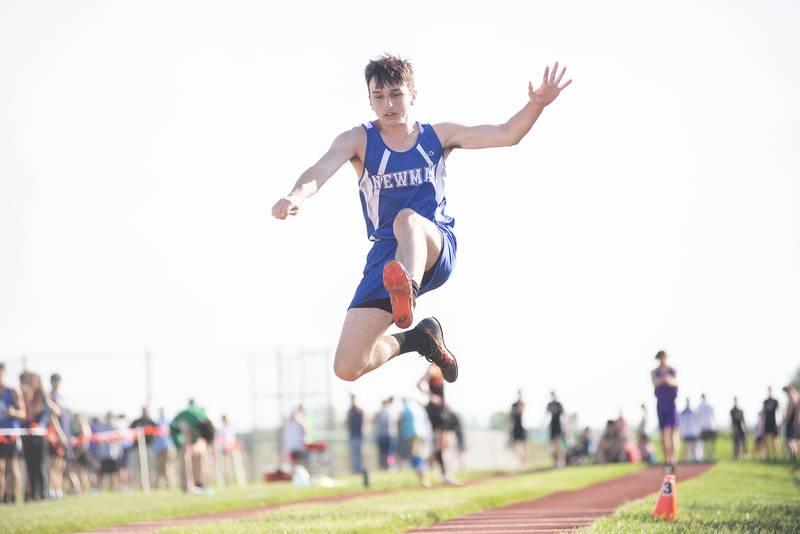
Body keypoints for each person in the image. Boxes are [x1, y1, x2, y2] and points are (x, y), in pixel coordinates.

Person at [271, 55, 571, 385]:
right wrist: (295, 196)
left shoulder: (437, 136)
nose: (388, 104)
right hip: (386, 259)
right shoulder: (358, 140)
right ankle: (416, 338)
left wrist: (537, 104)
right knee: (348, 366)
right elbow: (319, 170)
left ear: (413, 94)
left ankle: (406, 290)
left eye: (396, 94)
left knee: (407, 220)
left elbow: (507, 133)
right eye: (379, 96)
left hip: (434, 244)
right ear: (370, 100)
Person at [418, 364, 459, 485]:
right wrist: (432, 396)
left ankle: (423, 467)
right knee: (440, 444)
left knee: (444, 445)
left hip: (442, 410)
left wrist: (445, 403)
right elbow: (419, 384)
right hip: (435, 411)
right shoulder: (432, 368)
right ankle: (444, 475)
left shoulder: (440, 370)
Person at [170, 401, 216, 494]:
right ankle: (187, 486)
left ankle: (198, 484)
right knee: (186, 456)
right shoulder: (188, 421)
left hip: (193, 430)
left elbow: (208, 439)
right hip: (178, 432)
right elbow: (186, 437)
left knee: (200, 454)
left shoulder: (206, 421)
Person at [0, 362, 25, 504]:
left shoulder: (13, 391)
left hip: (11, 434)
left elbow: (23, 413)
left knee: (12, 466)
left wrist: (13, 412)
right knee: (0, 468)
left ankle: (13, 498)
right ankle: (2, 498)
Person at [651, 350, 679, 473]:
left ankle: (673, 460)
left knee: (672, 434)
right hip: (661, 405)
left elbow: (675, 382)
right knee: (664, 435)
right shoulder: (654, 372)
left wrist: (666, 380)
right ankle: (667, 460)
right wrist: (665, 380)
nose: (661, 360)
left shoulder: (672, 370)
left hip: (671, 405)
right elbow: (655, 383)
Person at [150, 408, 174, 489]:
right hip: (158, 448)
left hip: (167, 447)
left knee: (167, 467)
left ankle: (169, 485)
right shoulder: (156, 423)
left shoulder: (169, 422)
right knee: (159, 467)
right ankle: (158, 485)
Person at [375, 397, 398, 469]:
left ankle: (383, 466)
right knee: (390, 453)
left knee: (383, 453)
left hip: (381, 435)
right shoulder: (391, 412)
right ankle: (390, 466)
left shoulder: (379, 412)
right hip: (390, 435)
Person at [345, 394, 366, 475]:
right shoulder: (357, 411)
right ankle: (358, 470)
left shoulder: (352, 411)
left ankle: (358, 470)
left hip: (356, 436)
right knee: (357, 455)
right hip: (356, 436)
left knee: (356, 455)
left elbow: (346, 423)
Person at [546, 392, 565, 468]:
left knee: (559, 445)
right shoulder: (549, 404)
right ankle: (556, 460)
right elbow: (546, 414)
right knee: (554, 446)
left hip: (558, 426)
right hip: (552, 426)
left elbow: (563, 414)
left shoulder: (559, 404)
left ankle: (561, 460)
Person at [509, 390, 527, 467]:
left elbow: (522, 410)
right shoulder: (513, 405)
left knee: (523, 445)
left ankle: (523, 460)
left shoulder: (521, 403)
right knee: (515, 446)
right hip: (515, 428)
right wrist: (509, 428)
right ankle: (521, 460)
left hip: (522, 426)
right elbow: (511, 417)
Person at [696, 394, 717, 461]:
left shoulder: (699, 407)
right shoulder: (709, 406)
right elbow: (713, 416)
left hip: (705, 426)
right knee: (710, 442)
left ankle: (707, 456)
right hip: (709, 426)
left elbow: (698, 418)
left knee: (706, 442)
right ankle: (711, 456)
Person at [763, 386, 780, 460]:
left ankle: (776, 455)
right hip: (767, 422)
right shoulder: (765, 401)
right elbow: (764, 412)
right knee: (766, 439)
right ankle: (767, 455)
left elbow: (778, 412)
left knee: (774, 440)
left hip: (774, 423)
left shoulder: (775, 401)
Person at [783, 385, 799, 460]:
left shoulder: (792, 398)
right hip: (795, 421)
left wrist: (786, 419)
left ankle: (793, 456)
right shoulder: (797, 396)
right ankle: (795, 456)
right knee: (794, 439)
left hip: (792, 422)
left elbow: (790, 411)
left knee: (790, 439)